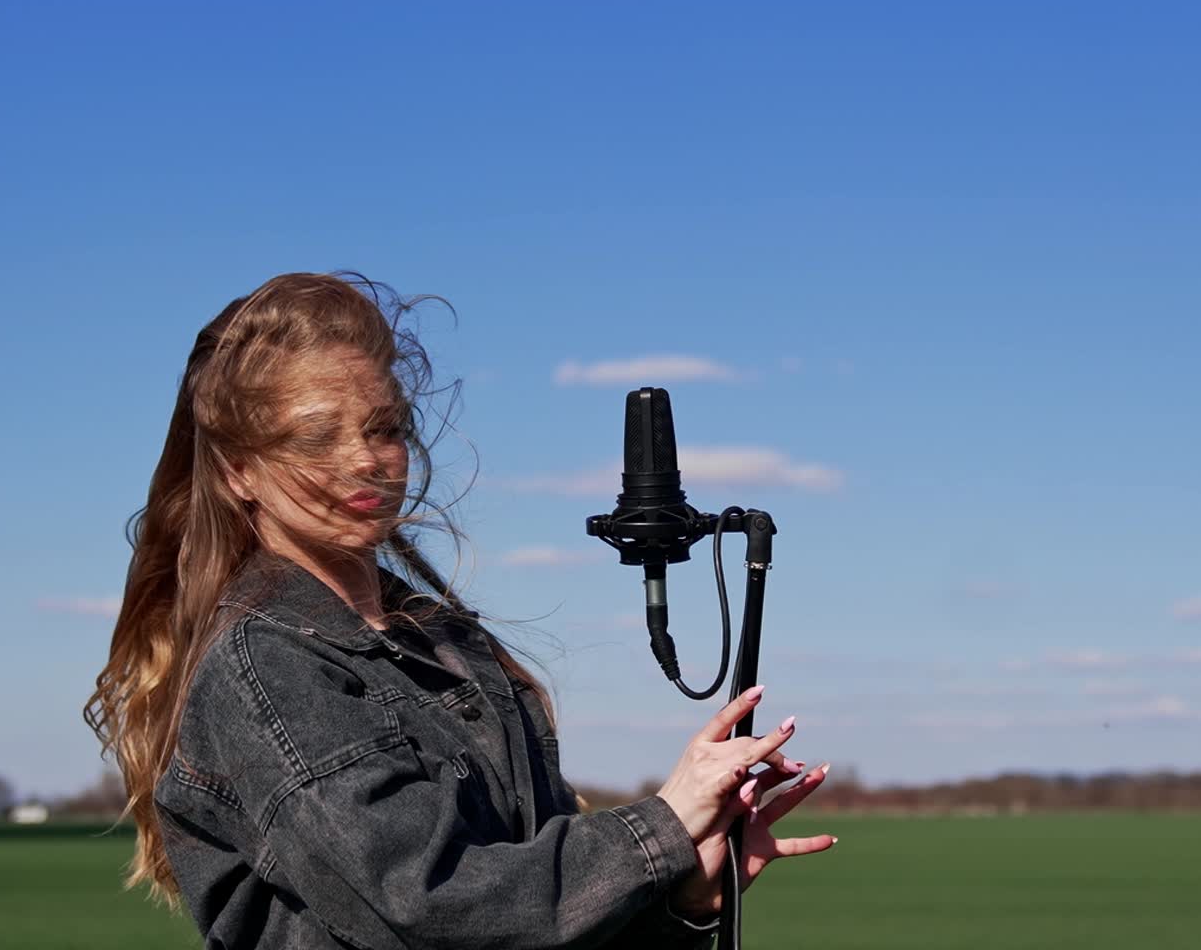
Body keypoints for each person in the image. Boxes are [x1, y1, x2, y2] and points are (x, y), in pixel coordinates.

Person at [85, 271, 835, 949]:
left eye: (385, 428)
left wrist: (689, 896)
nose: (366, 460)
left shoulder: (445, 641)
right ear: (240, 469)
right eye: (317, 435)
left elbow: (533, 922)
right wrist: (663, 826)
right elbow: (427, 906)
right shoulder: (267, 665)